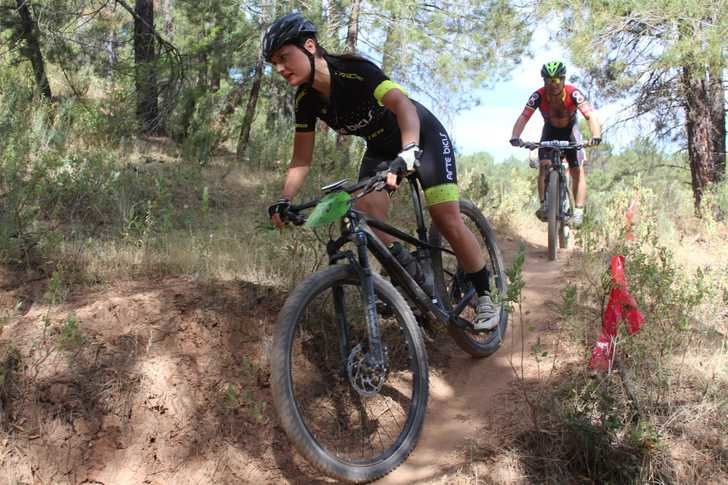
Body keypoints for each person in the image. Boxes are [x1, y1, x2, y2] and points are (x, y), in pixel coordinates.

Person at [263, 13, 499, 330]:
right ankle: (411, 274)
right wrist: (284, 199)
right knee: (365, 211)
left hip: (421, 135)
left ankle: (486, 296)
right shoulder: (307, 100)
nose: (279, 67)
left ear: (309, 46)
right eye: (273, 63)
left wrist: (409, 151)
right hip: (380, 148)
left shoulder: (355, 72)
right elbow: (301, 160)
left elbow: (402, 105)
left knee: (446, 217)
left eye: (283, 57)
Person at [509, 61, 602, 226]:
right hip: (550, 130)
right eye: (548, 81)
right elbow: (524, 116)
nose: (552, 85)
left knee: (576, 170)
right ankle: (544, 205)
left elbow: (590, 115)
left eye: (556, 80)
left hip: (570, 131)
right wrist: (515, 136)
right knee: (544, 165)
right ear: (544, 81)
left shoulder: (573, 93)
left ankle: (578, 211)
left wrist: (596, 135)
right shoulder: (538, 96)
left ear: (563, 79)